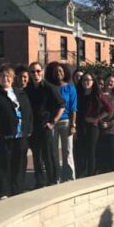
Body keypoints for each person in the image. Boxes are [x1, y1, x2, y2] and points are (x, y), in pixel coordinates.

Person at [0, 64, 33, 201]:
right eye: (2, 76)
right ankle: (2, 192)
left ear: (12, 78)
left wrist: (28, 129)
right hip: (2, 136)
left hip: (20, 136)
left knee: (19, 164)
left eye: (8, 76)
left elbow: (28, 113)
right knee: (2, 165)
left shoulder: (20, 93)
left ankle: (17, 189)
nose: (5, 78)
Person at [25, 61, 65, 189]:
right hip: (33, 128)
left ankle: (52, 181)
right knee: (36, 157)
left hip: (45, 126)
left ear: (42, 71)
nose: (35, 74)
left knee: (48, 155)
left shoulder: (49, 87)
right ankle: (40, 182)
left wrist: (53, 122)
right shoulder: (27, 89)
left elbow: (61, 106)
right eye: (32, 71)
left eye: (38, 71)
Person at [45, 62, 77, 182]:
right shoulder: (49, 88)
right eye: (56, 71)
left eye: (61, 71)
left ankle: (69, 176)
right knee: (53, 152)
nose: (58, 73)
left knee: (67, 151)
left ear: (65, 73)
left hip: (66, 122)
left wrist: (73, 125)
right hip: (52, 123)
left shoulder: (70, 88)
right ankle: (56, 177)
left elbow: (74, 108)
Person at [76, 73, 112, 177]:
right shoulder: (78, 94)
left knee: (91, 151)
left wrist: (96, 118)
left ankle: (90, 174)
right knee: (81, 151)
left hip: (93, 127)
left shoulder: (97, 94)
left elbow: (109, 108)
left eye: (88, 80)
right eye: (83, 80)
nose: (86, 82)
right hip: (80, 126)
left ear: (93, 81)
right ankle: (81, 173)